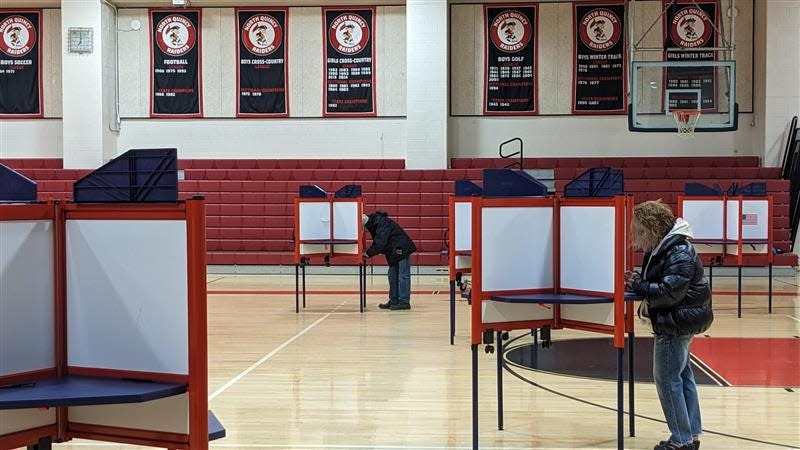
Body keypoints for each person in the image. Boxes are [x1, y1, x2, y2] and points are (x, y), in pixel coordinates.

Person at [625, 200, 713, 450]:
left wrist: (638, 285)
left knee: (667, 378)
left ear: (652, 228)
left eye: (640, 230)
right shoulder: (668, 247)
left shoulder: (678, 252)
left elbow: (667, 292)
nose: (636, 236)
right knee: (683, 377)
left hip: (675, 323)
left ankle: (681, 440)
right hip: (682, 320)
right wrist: (639, 281)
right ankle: (691, 434)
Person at [362, 211, 416, 310]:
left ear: (366, 225)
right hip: (393, 251)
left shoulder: (381, 223)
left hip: (402, 248)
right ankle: (394, 300)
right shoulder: (376, 223)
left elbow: (380, 243)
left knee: (403, 276)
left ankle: (404, 302)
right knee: (392, 275)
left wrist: (368, 253)